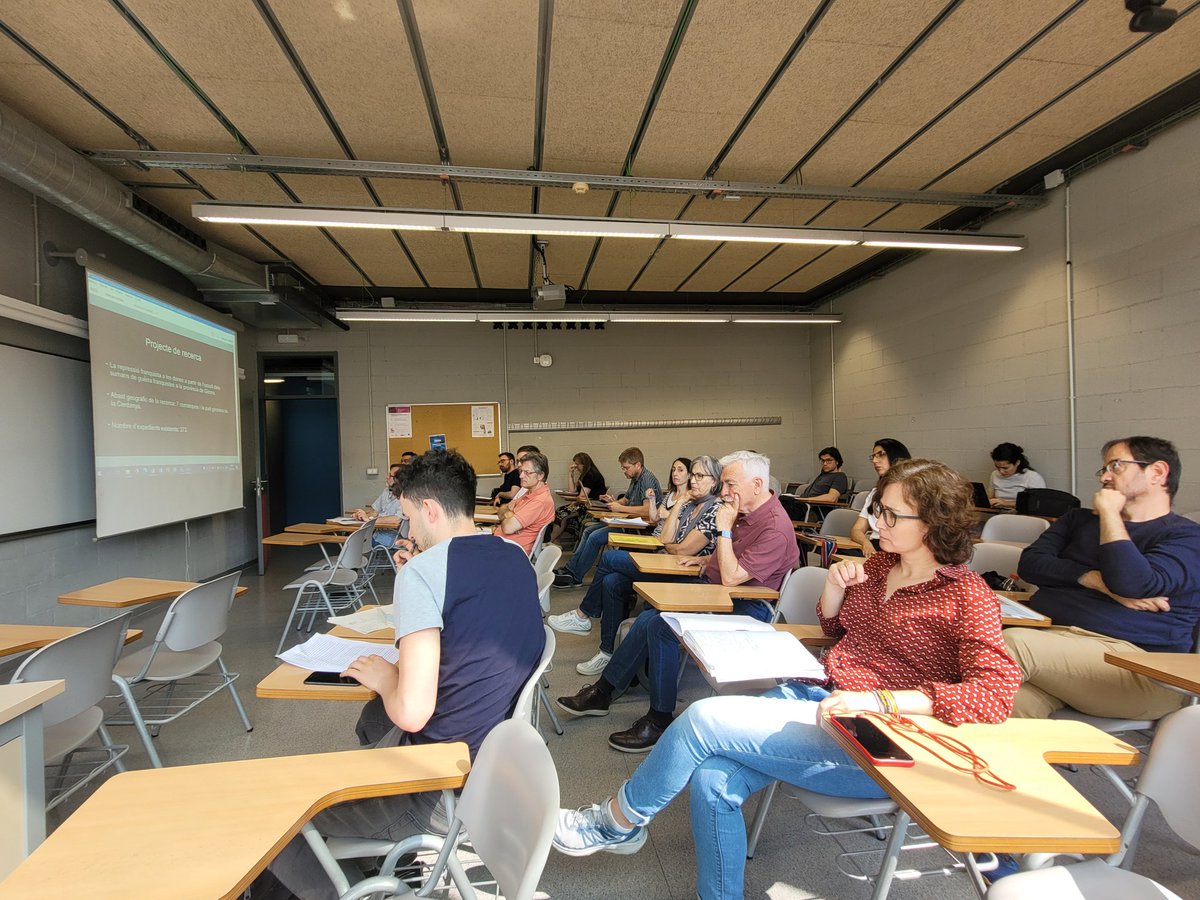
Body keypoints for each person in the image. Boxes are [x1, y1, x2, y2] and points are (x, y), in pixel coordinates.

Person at [551, 459, 1022, 900]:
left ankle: (617, 822)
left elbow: (995, 693)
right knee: (714, 780)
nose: (876, 522)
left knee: (703, 719)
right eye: (878, 509)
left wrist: (884, 703)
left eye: (891, 515)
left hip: (882, 741)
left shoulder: (965, 594)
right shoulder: (878, 568)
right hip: (821, 699)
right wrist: (834, 589)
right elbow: (838, 632)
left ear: (934, 524)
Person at [265, 450, 544, 900]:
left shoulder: (424, 573)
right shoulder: (513, 555)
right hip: (494, 764)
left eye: (411, 517)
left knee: (278, 816)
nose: (409, 531)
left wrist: (384, 678)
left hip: (436, 785)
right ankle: (375, 856)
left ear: (430, 509)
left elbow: (413, 713)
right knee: (374, 722)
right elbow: (469, 632)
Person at [555, 450, 798, 752]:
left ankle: (656, 717)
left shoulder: (773, 526)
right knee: (649, 617)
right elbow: (734, 559)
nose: (724, 492)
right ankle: (604, 692)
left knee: (659, 624)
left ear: (758, 484)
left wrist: (722, 529)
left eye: (730, 484)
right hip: (718, 591)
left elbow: (734, 577)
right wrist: (706, 559)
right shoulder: (747, 511)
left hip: (745, 608)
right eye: (723, 484)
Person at [1007, 436, 1200, 720]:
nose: (1105, 477)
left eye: (1116, 466)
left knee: (1008, 645)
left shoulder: (1187, 537)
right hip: (1054, 652)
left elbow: (1132, 584)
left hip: (1138, 668)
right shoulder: (1079, 520)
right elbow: (1031, 564)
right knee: (1003, 708)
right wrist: (1094, 579)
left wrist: (1111, 513)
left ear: (1157, 473)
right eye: (1104, 469)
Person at [549, 455, 723, 676]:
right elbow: (666, 540)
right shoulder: (689, 504)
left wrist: (671, 542)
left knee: (610, 558)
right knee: (611, 581)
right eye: (692, 474)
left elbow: (679, 549)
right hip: (667, 561)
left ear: (715, 481)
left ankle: (584, 614)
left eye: (698, 475)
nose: (692, 480)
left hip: (685, 574)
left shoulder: (713, 508)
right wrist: (679, 504)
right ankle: (606, 653)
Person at [553, 448, 661, 588]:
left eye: (626, 468)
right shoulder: (635, 478)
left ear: (638, 465)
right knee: (588, 531)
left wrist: (620, 508)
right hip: (628, 521)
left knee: (595, 537)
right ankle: (570, 570)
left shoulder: (647, 479)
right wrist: (614, 502)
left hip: (638, 527)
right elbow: (626, 500)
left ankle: (576, 577)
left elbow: (647, 510)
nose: (624, 471)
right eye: (622, 468)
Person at [849, 438, 911, 557]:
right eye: (873, 456)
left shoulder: (911, 492)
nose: (875, 461)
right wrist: (866, 543)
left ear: (897, 456)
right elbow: (856, 530)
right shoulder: (875, 493)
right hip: (875, 545)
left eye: (881, 455)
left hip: (898, 548)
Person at [494, 451, 555, 556]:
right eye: (520, 471)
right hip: (503, 546)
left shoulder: (539, 501)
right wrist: (509, 514)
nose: (521, 476)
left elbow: (508, 528)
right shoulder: (530, 492)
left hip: (510, 553)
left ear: (540, 475)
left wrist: (509, 513)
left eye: (527, 472)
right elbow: (502, 509)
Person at [549, 452, 608, 545]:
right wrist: (570, 474)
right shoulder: (585, 475)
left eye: (577, 464)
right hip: (586, 504)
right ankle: (555, 539)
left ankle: (552, 539)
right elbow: (572, 490)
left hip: (591, 506)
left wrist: (574, 501)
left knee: (562, 513)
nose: (575, 467)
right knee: (559, 511)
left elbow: (582, 496)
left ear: (583, 464)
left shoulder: (590, 475)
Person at [351, 462, 407, 549]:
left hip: (393, 538)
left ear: (399, 479)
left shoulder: (406, 496)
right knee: (353, 539)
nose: (386, 477)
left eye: (390, 475)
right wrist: (361, 516)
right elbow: (375, 511)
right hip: (378, 534)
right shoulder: (386, 491)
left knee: (354, 543)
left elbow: (396, 520)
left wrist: (369, 519)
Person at [989, 442, 1046, 509]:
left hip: (1024, 516)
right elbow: (990, 497)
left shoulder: (1032, 477)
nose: (1001, 471)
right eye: (997, 467)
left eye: (1005, 468)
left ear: (1017, 463)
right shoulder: (995, 474)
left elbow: (1038, 504)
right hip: (998, 513)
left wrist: (1006, 503)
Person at [648, 457, 691, 533]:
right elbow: (655, 518)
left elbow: (687, 525)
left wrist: (668, 515)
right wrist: (652, 499)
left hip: (671, 539)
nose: (675, 473)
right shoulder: (670, 493)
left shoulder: (690, 497)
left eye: (680, 470)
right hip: (657, 535)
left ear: (689, 475)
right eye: (673, 470)